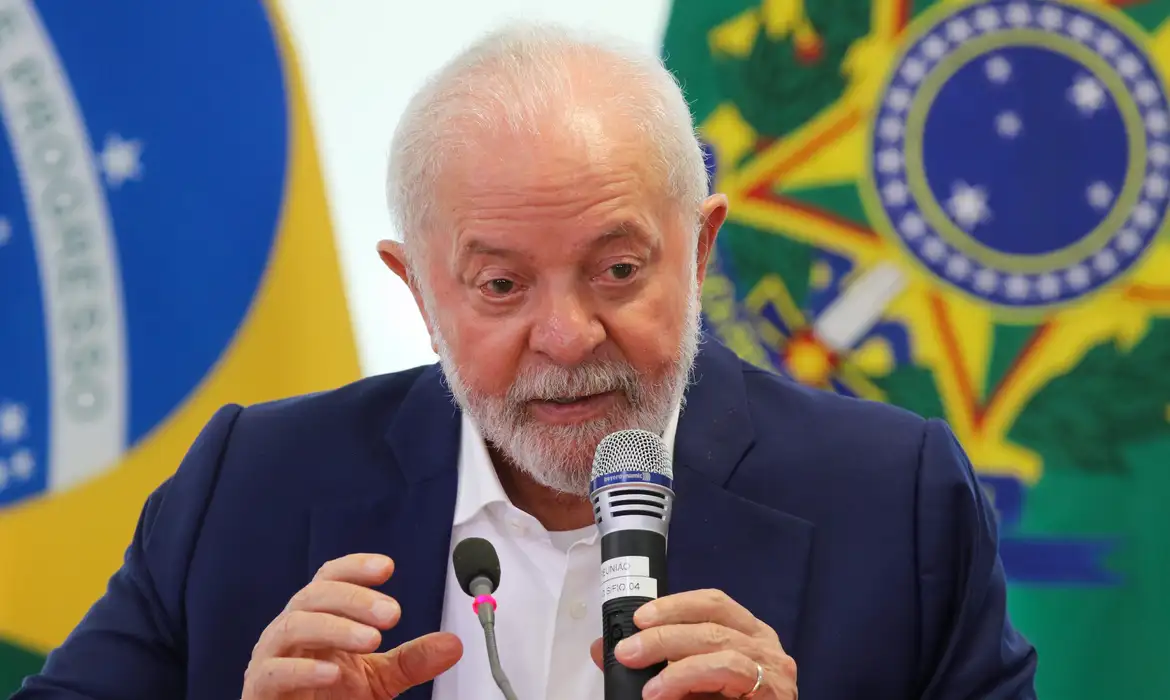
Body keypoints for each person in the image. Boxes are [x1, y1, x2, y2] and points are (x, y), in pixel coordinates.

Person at [11, 21, 1037, 700]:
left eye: (619, 269)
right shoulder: (250, 487)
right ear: (419, 291)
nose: (567, 335)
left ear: (699, 250)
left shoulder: (895, 501)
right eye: (501, 284)